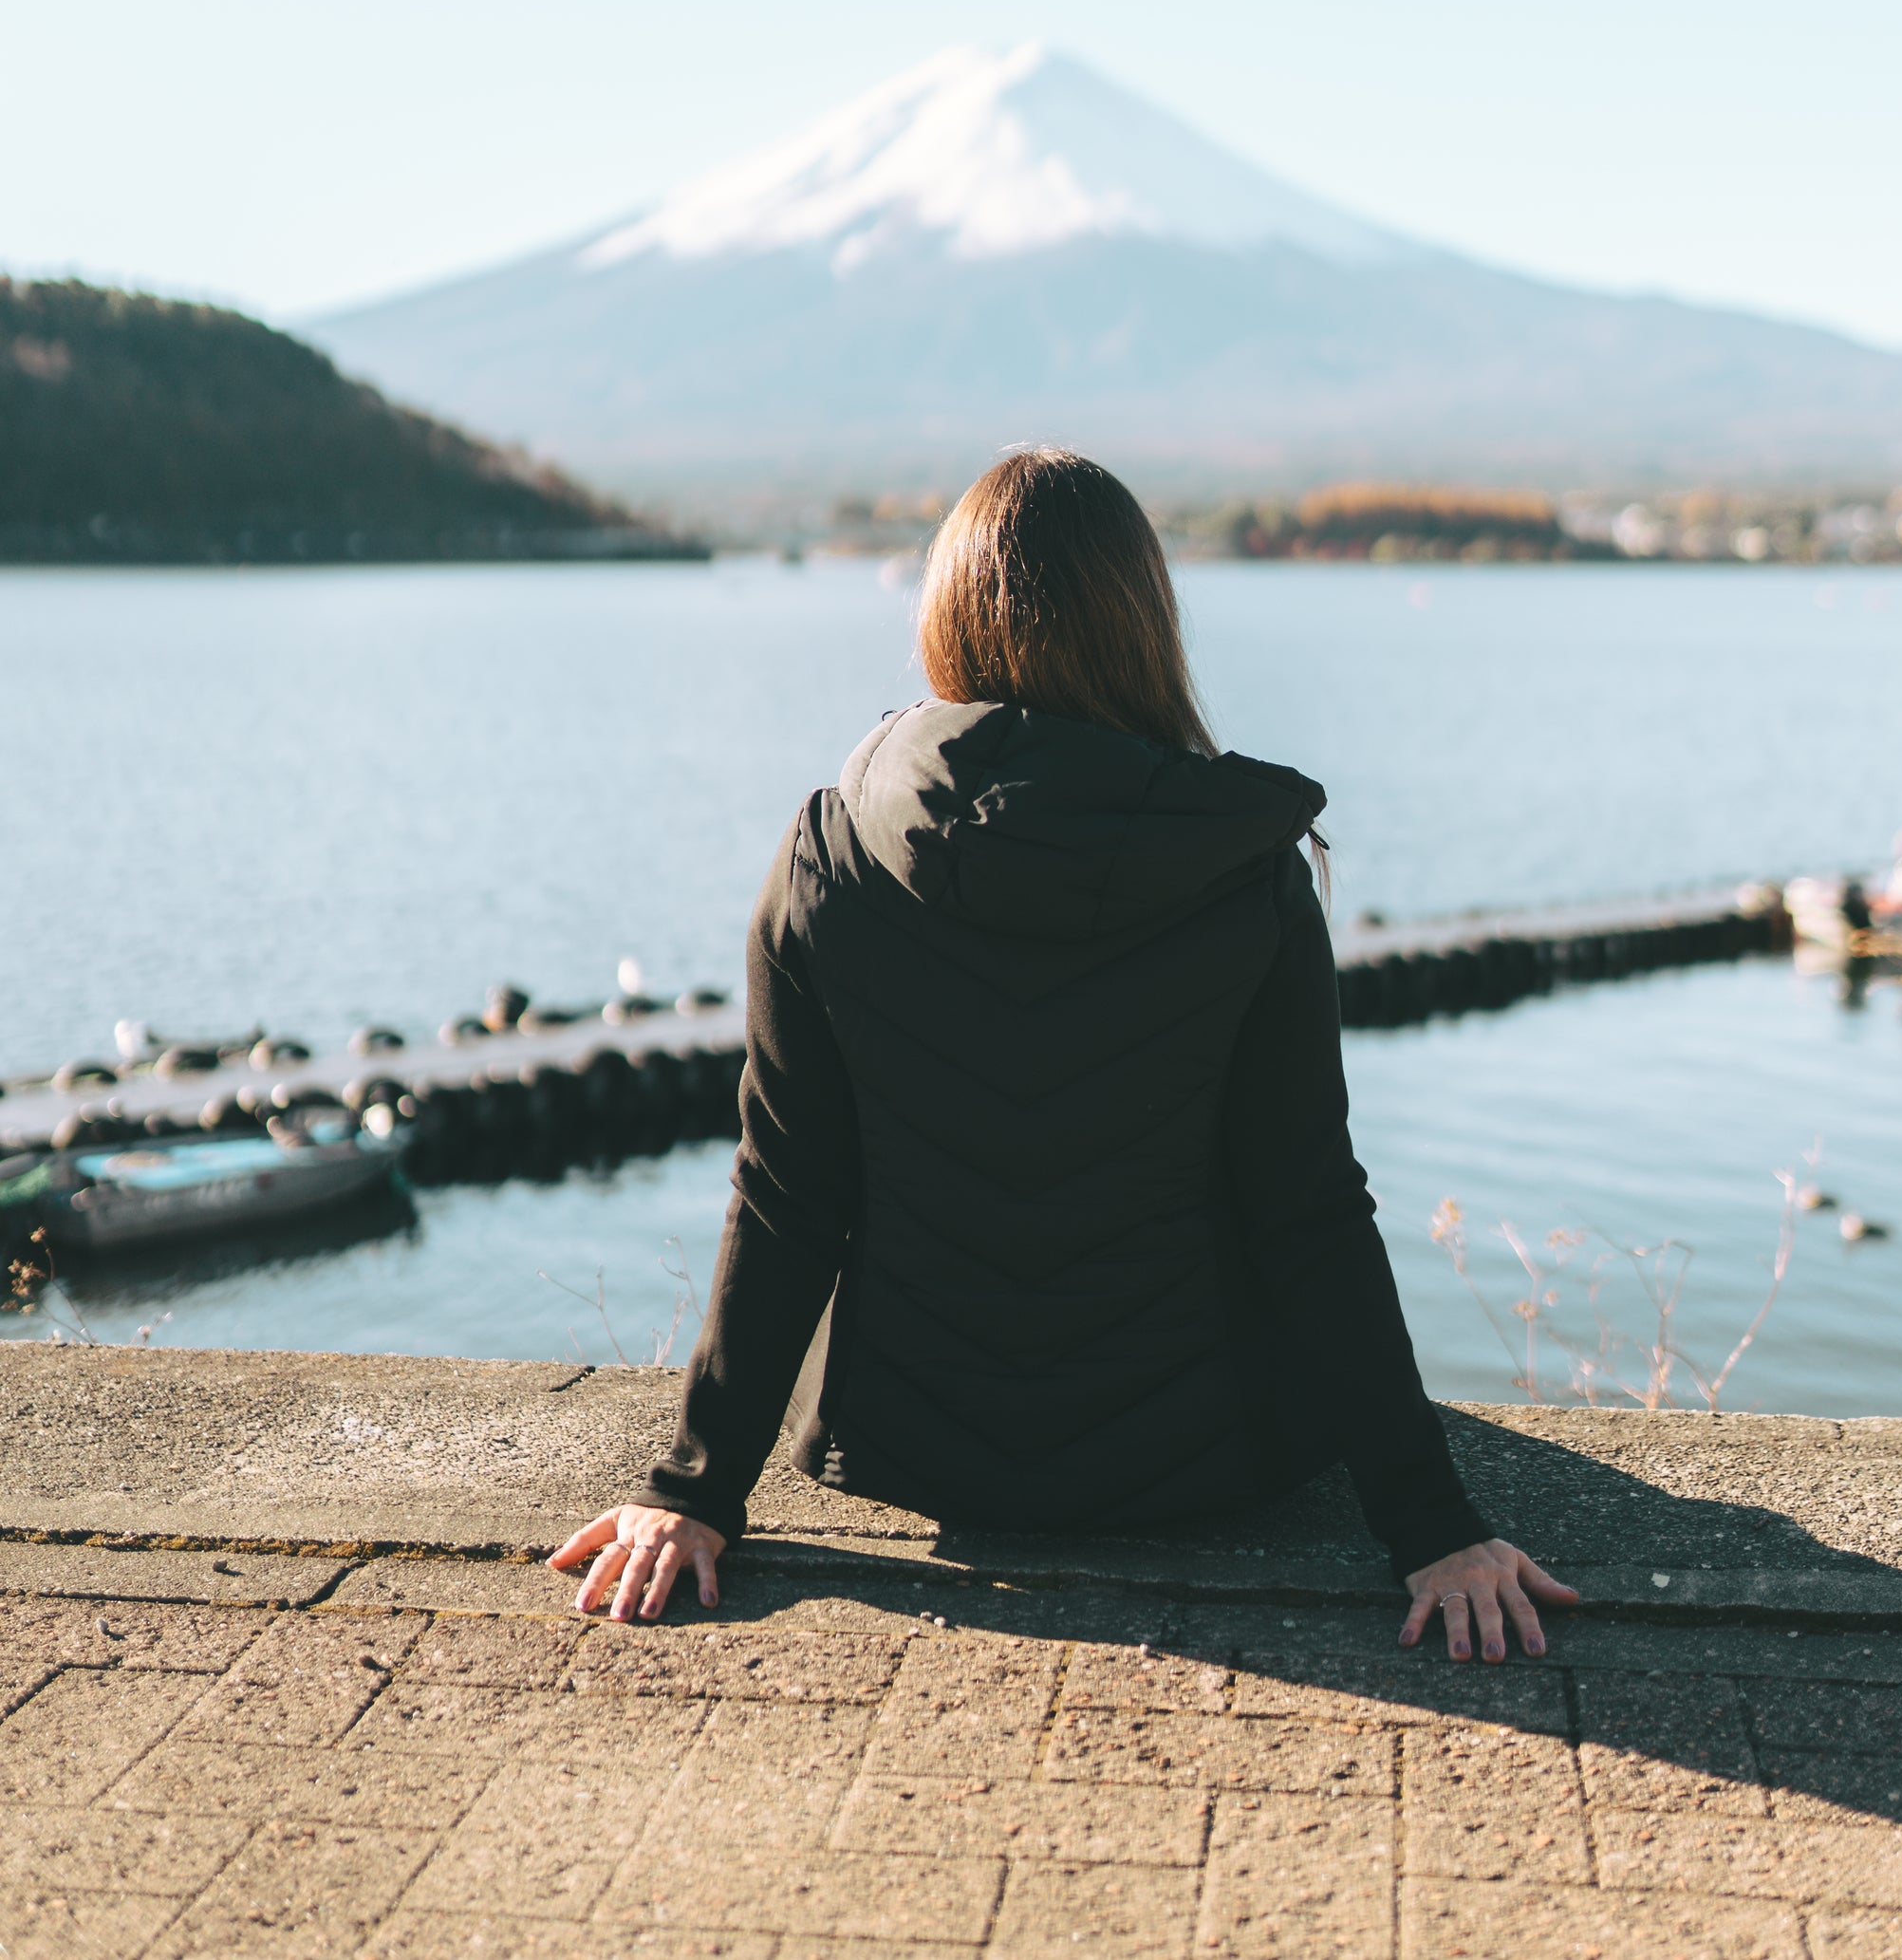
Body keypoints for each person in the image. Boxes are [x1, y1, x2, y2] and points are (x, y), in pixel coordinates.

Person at [552, 448, 1574, 1663]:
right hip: (1204, 1462)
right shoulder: (1240, 870)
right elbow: (1305, 1210)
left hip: (912, 1457)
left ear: (947, 613)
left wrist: (697, 1489)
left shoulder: (829, 854)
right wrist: (1431, 1525)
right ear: (1144, 621)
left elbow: (787, 1194)